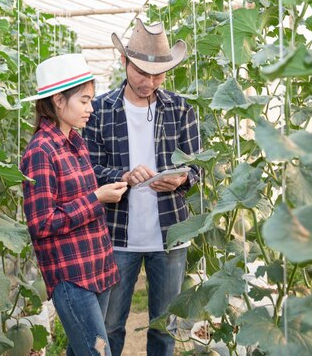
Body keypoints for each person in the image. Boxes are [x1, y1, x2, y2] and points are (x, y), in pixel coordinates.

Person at [83, 19, 201, 356]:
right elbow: (88, 167)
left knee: (165, 327)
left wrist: (182, 179)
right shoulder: (100, 110)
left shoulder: (181, 109)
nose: (149, 82)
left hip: (171, 234)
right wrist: (123, 175)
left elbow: (196, 166)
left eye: (158, 75)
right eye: (141, 73)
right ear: (124, 62)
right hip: (117, 235)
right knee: (109, 326)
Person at [20, 53, 128, 356]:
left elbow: (81, 194)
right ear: (58, 100)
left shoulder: (76, 143)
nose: (90, 109)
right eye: (84, 101)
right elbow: (41, 224)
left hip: (98, 266)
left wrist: (114, 184)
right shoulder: (41, 151)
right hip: (71, 277)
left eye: (91, 100)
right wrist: (97, 198)